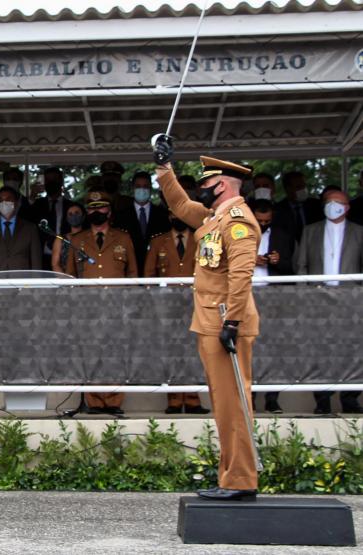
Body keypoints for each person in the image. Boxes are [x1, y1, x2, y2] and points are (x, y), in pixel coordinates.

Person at [153, 138, 260, 500]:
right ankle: (230, 477)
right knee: (224, 402)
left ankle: (241, 481)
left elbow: (242, 275)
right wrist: (164, 169)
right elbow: (180, 203)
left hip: (225, 324)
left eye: (207, 183)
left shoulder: (238, 221)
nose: (202, 188)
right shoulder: (214, 217)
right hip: (210, 322)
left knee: (234, 404)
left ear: (223, 185)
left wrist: (233, 323)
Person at [65, 190, 135, 415]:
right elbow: (69, 276)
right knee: (92, 352)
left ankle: (113, 400)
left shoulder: (123, 238)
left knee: (115, 351)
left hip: (117, 305)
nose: (97, 211)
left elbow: (133, 273)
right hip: (89, 307)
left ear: (109, 211)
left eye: (101, 207)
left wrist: (131, 304)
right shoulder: (77, 240)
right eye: (93, 208)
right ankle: (94, 400)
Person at [295, 188, 363, 414]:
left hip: (350, 301)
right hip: (318, 301)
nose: (332, 206)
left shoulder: (359, 232)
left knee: (351, 349)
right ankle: (322, 398)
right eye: (329, 201)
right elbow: (301, 265)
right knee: (320, 350)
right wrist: (305, 296)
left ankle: (350, 397)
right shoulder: (310, 230)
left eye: (338, 202)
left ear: (347, 207)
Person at [143, 212, 210, 415]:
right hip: (167, 307)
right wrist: (154, 304)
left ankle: (192, 399)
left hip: (195, 304)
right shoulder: (158, 242)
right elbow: (149, 274)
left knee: (193, 352)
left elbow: (211, 271)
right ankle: (173, 398)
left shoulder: (203, 239)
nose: (178, 217)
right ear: (169, 215)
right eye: (174, 214)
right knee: (170, 351)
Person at [249, 199, 295, 414]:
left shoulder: (282, 236)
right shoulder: (241, 233)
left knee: (273, 348)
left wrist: (278, 260)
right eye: (259, 220)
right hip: (247, 297)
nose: (263, 224)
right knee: (248, 348)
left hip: (274, 297)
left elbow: (293, 267)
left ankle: (272, 398)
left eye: (267, 221)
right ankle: (249, 397)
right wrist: (251, 260)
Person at [116, 171, 170, 276]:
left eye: (145, 186)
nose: (142, 189)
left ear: (150, 188)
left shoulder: (162, 215)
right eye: (138, 186)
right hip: (129, 270)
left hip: (157, 269)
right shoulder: (121, 216)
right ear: (133, 188)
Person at [0, 187, 40, 275]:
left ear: (16, 203)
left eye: (8, 199)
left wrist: (36, 286)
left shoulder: (30, 228)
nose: (4, 202)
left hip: (23, 283)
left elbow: (36, 261)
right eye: (0, 200)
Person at [33, 166, 69, 268]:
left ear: (61, 181)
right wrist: (32, 195)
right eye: (48, 180)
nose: (51, 183)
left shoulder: (72, 207)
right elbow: (24, 219)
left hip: (65, 256)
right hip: (41, 257)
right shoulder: (37, 205)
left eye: (55, 179)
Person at [274, 171, 322, 242]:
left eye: (304, 186)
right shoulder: (278, 209)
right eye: (298, 187)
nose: (303, 190)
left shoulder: (316, 206)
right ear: (288, 189)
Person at [50, 201, 86, 274]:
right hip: (66, 281)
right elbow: (55, 264)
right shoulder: (60, 239)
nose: (73, 216)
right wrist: (67, 281)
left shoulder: (89, 237)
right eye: (70, 214)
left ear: (83, 216)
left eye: (77, 213)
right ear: (66, 218)